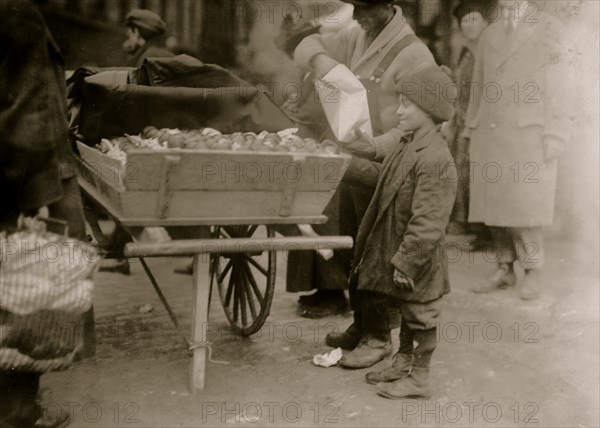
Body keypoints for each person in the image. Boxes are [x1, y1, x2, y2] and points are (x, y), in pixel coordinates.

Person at [289, 0, 436, 322]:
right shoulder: (358, 35)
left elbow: (426, 123)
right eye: (354, 8)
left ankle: (379, 324)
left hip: (392, 159)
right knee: (340, 218)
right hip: (358, 153)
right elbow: (305, 44)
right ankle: (349, 306)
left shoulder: (414, 54)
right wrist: (321, 60)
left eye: (366, 9)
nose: (357, 17)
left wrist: (375, 145)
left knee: (376, 242)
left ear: (389, 6)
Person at [342, 64, 457, 398]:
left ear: (430, 110)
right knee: (407, 308)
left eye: (407, 104)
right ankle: (403, 361)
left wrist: (407, 261)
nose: (399, 110)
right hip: (402, 250)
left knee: (422, 314)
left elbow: (429, 220)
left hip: (419, 257)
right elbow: (386, 179)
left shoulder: (435, 158)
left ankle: (420, 377)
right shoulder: (408, 144)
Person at [0, 1, 77, 426]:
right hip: (10, 182)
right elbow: (25, 113)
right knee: (23, 294)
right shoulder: (17, 12)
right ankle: (17, 412)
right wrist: (33, 197)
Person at [465, 0, 570, 299]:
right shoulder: (490, 33)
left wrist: (556, 133)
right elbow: (479, 84)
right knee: (493, 206)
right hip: (491, 130)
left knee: (527, 207)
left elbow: (561, 85)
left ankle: (533, 270)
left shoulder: (549, 29)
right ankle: (505, 267)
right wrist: (470, 126)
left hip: (529, 132)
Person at [100, 9, 176, 275]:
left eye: (129, 32)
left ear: (139, 35)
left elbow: (134, 105)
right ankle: (116, 251)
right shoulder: (169, 57)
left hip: (149, 138)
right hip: (172, 135)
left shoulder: (143, 61)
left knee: (121, 185)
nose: (126, 37)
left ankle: (115, 252)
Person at [444, 0, 494, 246]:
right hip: (463, 120)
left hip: (485, 122)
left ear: (485, 22)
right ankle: (475, 227)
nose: (468, 25)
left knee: (483, 175)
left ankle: (490, 231)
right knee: (465, 173)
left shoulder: (491, 51)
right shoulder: (466, 53)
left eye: (473, 19)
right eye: (464, 21)